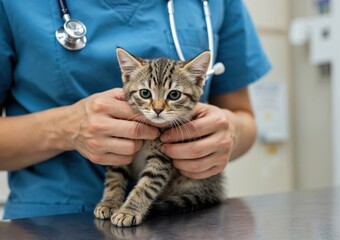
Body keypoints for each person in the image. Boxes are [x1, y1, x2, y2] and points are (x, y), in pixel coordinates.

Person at [0, 0, 271, 219]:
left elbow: (242, 117)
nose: (157, 107)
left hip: (182, 222)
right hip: (48, 222)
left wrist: (231, 131)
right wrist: (65, 128)